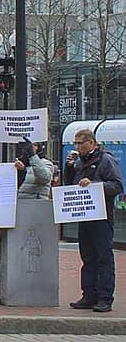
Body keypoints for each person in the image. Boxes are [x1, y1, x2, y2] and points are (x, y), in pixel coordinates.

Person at [65, 128, 123, 313]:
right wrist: (69, 168)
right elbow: (71, 184)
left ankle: (105, 298)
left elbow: (117, 185)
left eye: (80, 143)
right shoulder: (79, 161)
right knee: (88, 257)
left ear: (91, 142)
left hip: (102, 217)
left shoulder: (106, 160)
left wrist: (95, 185)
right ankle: (89, 295)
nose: (77, 147)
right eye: (75, 143)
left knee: (104, 257)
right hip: (85, 215)